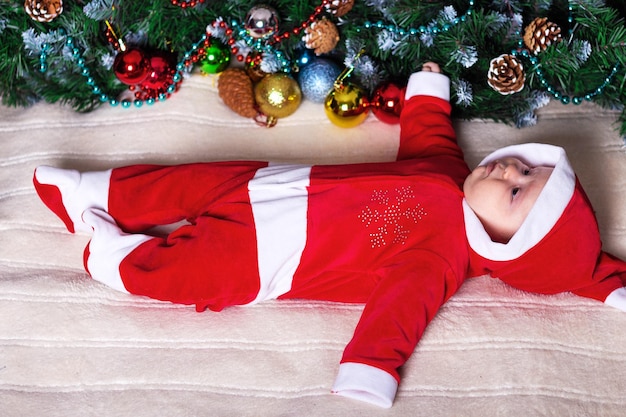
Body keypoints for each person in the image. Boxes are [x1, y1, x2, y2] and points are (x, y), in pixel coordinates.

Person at [33, 62, 626, 408]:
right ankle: (91, 190)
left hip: (272, 254)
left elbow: (398, 313)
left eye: (518, 190)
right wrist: (427, 92)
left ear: (508, 244)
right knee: (182, 181)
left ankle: (111, 259)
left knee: (193, 274)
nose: (506, 169)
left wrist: (372, 367)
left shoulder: (441, 258)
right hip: (274, 183)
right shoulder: (450, 173)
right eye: (523, 164)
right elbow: (429, 139)